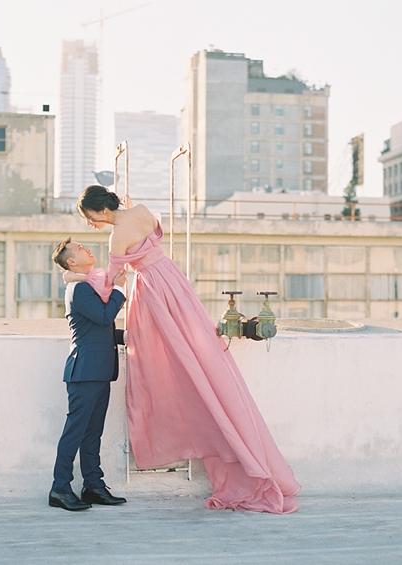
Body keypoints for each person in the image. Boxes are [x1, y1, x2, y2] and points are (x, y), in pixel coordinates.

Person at [65, 184, 301, 514]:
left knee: (163, 360)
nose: (90, 224)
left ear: (98, 210)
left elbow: (110, 283)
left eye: (89, 217)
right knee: (197, 349)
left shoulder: (116, 237)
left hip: (153, 290)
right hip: (174, 281)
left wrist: (75, 278)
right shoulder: (142, 211)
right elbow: (140, 226)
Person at [48, 238, 129, 511]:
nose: (88, 249)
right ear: (72, 261)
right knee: (74, 433)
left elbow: (101, 329)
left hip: (99, 370)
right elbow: (105, 317)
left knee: (92, 434)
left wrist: (131, 336)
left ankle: (93, 486)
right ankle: (60, 489)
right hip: (84, 372)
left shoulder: (89, 286)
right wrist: (119, 288)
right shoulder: (79, 289)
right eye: (81, 249)